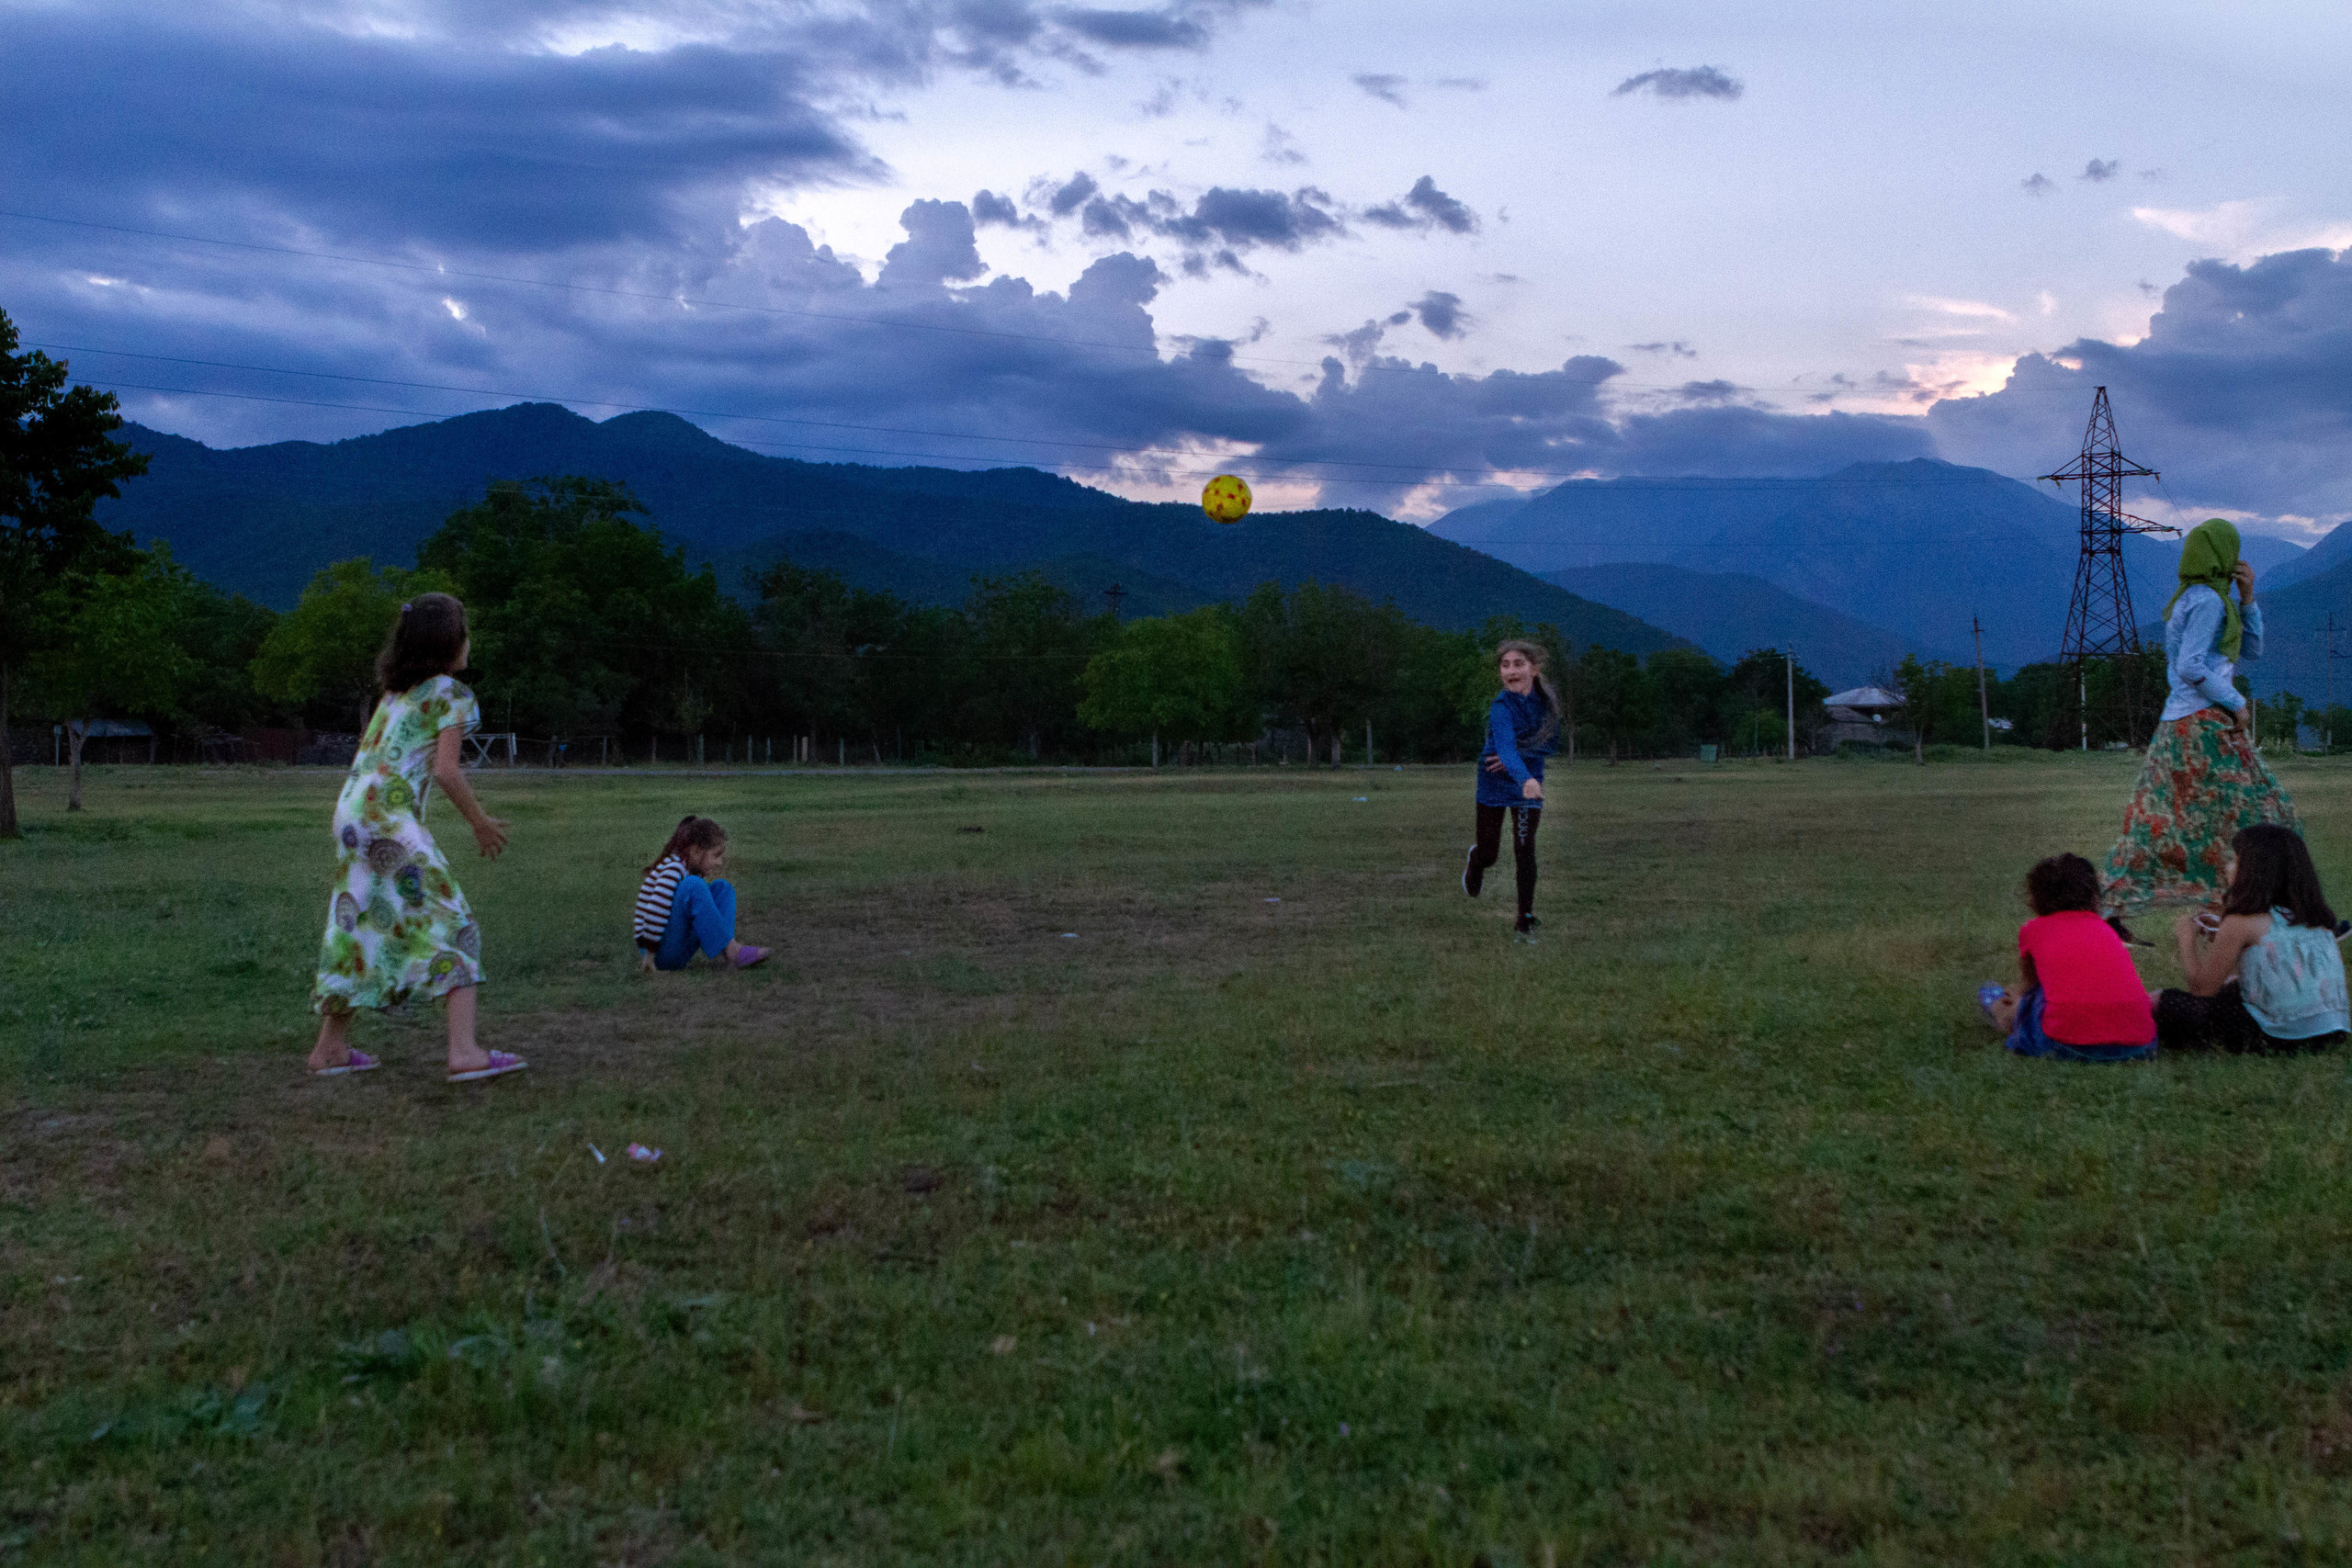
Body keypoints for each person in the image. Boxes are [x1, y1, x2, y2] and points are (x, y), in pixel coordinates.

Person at [308, 593, 526, 1084]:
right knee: (454, 920)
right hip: (388, 819)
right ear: (450, 643)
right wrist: (479, 821)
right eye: (465, 631)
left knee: (357, 926)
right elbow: (447, 772)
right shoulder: (450, 693)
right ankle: (465, 1052)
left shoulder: (394, 694)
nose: (470, 641)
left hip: (351, 816)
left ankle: (330, 1048)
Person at [2102, 518, 2296, 936]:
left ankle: (2116, 913)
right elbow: (2191, 666)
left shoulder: (2200, 600)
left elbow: (2253, 650)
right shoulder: (2208, 602)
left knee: (2156, 818)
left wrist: (2248, 599)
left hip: (2177, 724)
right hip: (2203, 723)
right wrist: (2236, 703)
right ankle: (2291, 908)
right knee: (2267, 810)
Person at [2153, 823, 2348, 1054]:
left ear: (2254, 870)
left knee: (2161, 1000)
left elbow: (2202, 990)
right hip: (2332, 1033)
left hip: (2276, 1036)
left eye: (2234, 860)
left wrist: (2186, 938)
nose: (2228, 867)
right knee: (2233, 984)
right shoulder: (2317, 918)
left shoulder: (2241, 922)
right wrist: (2223, 933)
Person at [1981, 852, 2158, 1062]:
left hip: (2065, 1045)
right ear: (2093, 897)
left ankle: (1997, 1008)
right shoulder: (2106, 929)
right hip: (2140, 1046)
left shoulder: (2034, 929)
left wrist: (2014, 995)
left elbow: (2029, 984)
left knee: (2021, 1000)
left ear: (2035, 900)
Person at [1462, 638, 1560, 939]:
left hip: (1528, 784)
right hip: (1494, 781)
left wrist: (1524, 771)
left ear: (1534, 668)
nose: (1511, 670)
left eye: (1518, 664)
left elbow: (1550, 745)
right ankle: (1476, 862)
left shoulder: (1546, 704)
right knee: (1490, 854)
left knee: (1524, 849)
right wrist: (1522, 774)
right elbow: (1503, 749)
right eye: (1505, 665)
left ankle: (1524, 920)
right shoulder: (1501, 708)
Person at [634, 815, 769, 972]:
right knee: (693, 885)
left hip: (678, 951)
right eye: (716, 855)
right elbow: (656, 910)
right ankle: (734, 952)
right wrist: (649, 956)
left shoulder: (688, 868)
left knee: (722, 888)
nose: (719, 863)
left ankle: (729, 951)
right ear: (696, 851)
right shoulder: (673, 869)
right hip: (658, 953)